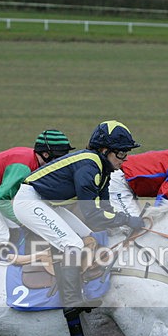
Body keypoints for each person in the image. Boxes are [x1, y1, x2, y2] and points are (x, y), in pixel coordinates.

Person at [12, 120, 143, 312]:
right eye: (121, 153)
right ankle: (71, 301)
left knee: (88, 236)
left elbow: (105, 208)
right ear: (105, 150)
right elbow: (93, 215)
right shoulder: (89, 166)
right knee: (72, 244)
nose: (125, 159)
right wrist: (127, 219)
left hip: (44, 202)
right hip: (29, 201)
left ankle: (79, 284)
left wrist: (124, 222)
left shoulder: (103, 169)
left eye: (126, 153)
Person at [0, 129, 74, 259]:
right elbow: (1, 200)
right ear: (46, 154)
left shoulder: (36, 160)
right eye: (59, 157)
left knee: (14, 230)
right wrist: (23, 222)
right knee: (0, 234)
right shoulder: (23, 168)